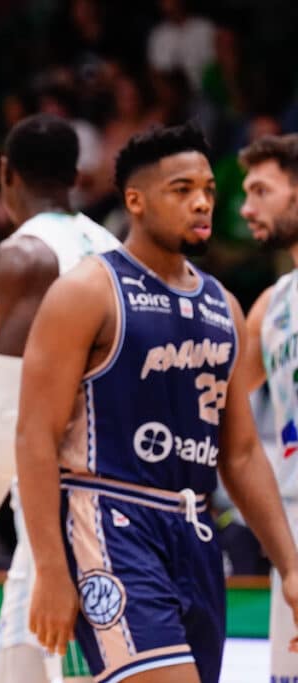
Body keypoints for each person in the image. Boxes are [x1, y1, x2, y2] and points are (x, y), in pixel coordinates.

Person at [16, 122, 298, 683]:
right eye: (182, 189)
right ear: (136, 201)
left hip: (194, 532)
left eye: (209, 191)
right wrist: (48, 567)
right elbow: (33, 436)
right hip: (109, 520)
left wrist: (290, 567)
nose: (202, 202)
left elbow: (239, 453)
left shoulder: (224, 306)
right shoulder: (86, 291)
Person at [0, 113, 119, 683]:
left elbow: (13, 418)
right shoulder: (116, 248)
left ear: (6, 174)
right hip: (109, 510)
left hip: (62, 524)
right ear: (76, 177)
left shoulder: (26, 256)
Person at [233, 133, 298, 681]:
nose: (245, 207)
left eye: (261, 190)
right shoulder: (272, 305)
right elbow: (216, 409)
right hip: (291, 530)